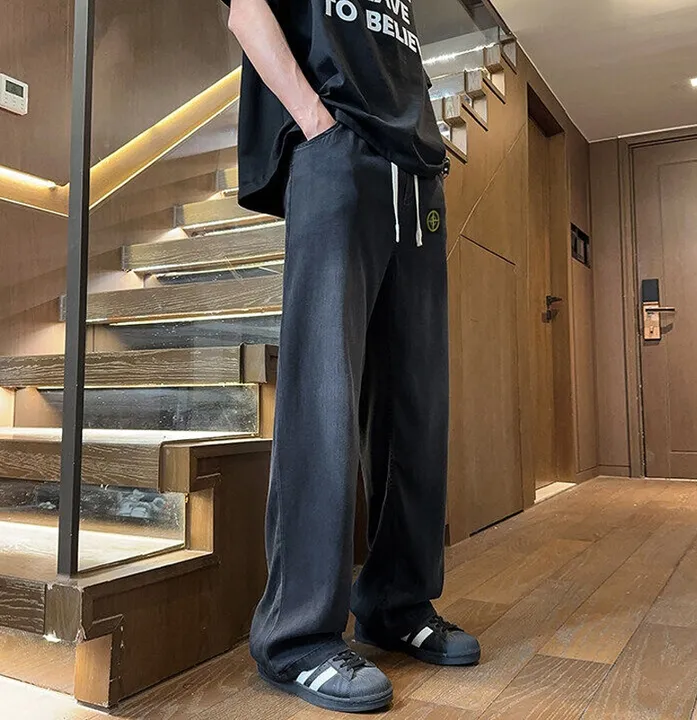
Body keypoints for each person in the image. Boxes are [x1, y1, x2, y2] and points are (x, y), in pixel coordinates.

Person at [223, 0, 481, 712]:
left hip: (416, 171)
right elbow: (247, 11)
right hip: (339, 146)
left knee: (417, 403)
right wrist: (315, 122)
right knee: (323, 396)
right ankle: (297, 635)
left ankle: (397, 602)